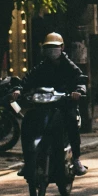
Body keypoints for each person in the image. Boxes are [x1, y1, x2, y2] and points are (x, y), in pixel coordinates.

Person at [14, 32, 88, 175]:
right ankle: (28, 160)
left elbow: (80, 78)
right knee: (27, 123)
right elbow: (27, 80)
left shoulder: (69, 66)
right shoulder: (41, 67)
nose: (52, 50)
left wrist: (78, 91)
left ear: (62, 48)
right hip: (43, 106)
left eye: (55, 47)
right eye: (48, 47)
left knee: (71, 121)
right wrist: (18, 90)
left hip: (64, 105)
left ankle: (76, 159)